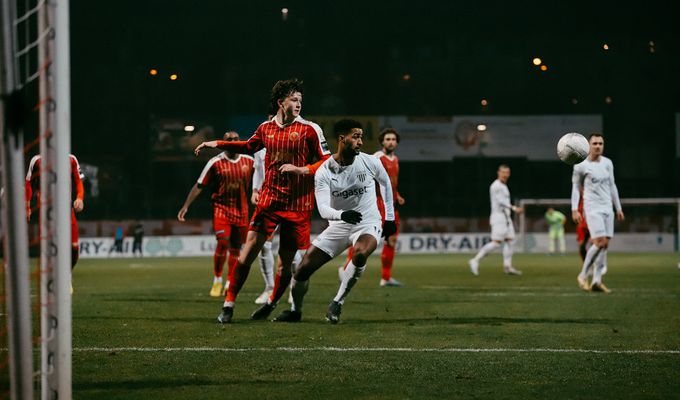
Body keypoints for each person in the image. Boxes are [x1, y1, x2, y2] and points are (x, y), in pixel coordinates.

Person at [194, 78, 331, 323]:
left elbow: (326, 160)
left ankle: (271, 303)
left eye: (300, 99)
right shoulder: (266, 128)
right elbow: (248, 146)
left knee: (285, 264)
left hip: (297, 207)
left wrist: (302, 170)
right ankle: (228, 304)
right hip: (269, 203)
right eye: (294, 99)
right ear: (281, 102)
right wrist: (217, 144)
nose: (299, 104)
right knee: (246, 255)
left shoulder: (310, 129)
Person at [268, 119, 396, 323]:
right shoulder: (324, 171)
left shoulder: (370, 161)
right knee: (302, 270)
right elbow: (323, 209)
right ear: (341, 139)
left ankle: (337, 302)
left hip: (367, 222)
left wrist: (389, 217)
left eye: (361, 137)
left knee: (361, 253)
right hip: (339, 225)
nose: (360, 142)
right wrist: (342, 215)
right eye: (356, 137)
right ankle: (295, 310)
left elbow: (386, 183)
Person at [178, 131, 254, 297]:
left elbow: (261, 180)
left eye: (236, 139)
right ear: (224, 142)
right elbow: (199, 185)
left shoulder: (250, 161)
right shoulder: (215, 162)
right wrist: (186, 206)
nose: (233, 142)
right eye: (229, 140)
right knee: (222, 242)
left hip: (242, 211)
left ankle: (229, 282)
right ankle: (217, 280)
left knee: (236, 249)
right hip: (221, 209)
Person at [572, 133, 624, 293]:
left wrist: (618, 208)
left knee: (605, 245)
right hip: (592, 208)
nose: (598, 146)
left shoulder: (608, 163)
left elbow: (612, 186)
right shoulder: (580, 165)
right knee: (599, 242)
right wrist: (574, 208)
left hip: (607, 207)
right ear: (588, 145)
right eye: (594, 143)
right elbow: (575, 188)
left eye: (600, 143)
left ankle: (597, 281)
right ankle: (583, 275)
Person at [25, 154, 85, 279]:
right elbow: (28, 183)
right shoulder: (37, 160)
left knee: (74, 247)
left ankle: (67, 274)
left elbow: (78, 181)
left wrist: (79, 198)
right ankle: (50, 278)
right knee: (47, 245)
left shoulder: (71, 159)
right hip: (47, 212)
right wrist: (27, 206)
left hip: (67, 210)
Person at [468, 165, 523, 276]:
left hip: (506, 218)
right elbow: (500, 201)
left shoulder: (503, 186)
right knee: (496, 243)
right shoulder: (496, 186)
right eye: (503, 172)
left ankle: (507, 266)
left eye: (507, 172)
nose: (505, 174)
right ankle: (475, 260)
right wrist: (514, 208)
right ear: (498, 172)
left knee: (510, 240)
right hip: (498, 218)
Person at [576, 188, 591, 261]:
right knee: (581, 246)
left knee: (595, 244)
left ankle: (596, 263)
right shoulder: (578, 201)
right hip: (582, 226)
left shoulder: (594, 200)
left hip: (592, 225)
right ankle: (586, 265)